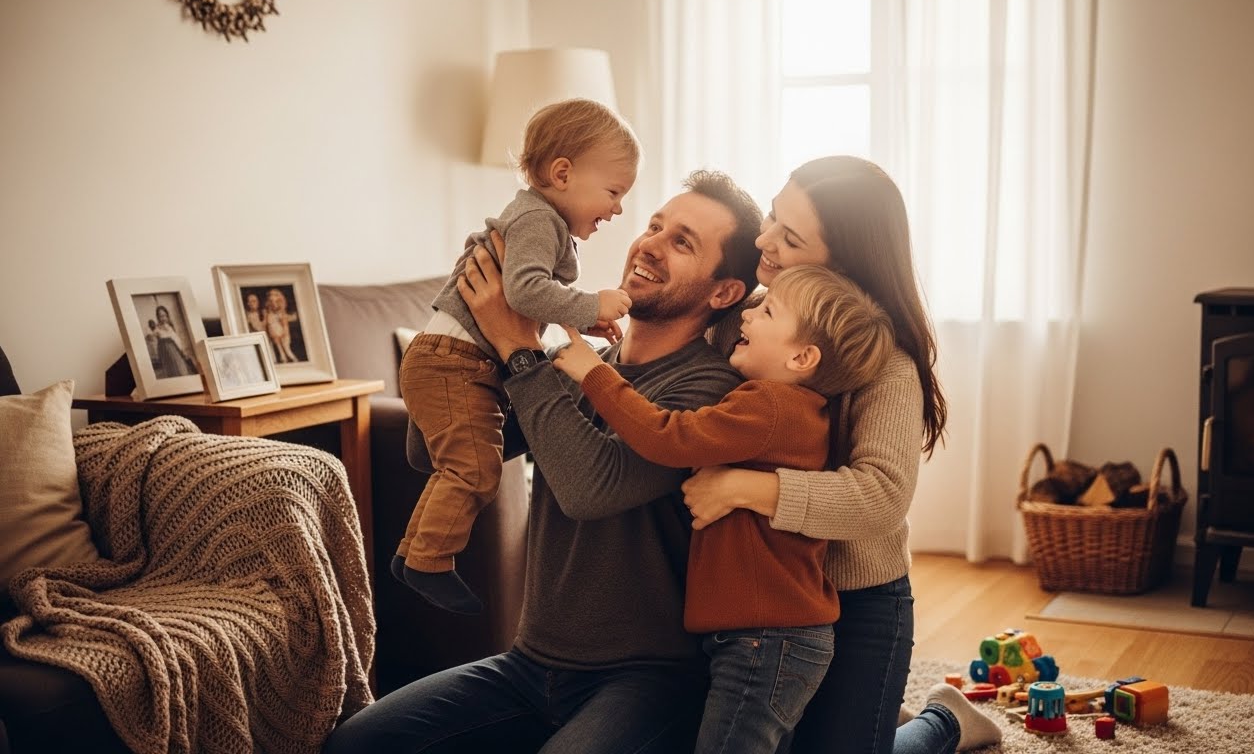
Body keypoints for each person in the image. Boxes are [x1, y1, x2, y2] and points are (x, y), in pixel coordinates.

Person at [324, 169, 765, 754]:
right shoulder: (578, 364)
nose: (651, 243)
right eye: (656, 224)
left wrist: (520, 347)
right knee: (355, 744)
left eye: (683, 241)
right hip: (531, 665)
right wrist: (466, 337)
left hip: (646, 679)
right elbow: (427, 453)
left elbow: (592, 487)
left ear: (723, 292)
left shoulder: (706, 391)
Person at [685, 155, 1000, 753]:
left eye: (791, 237)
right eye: (773, 217)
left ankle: (945, 722)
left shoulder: (888, 368)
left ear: (844, 265)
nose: (764, 240)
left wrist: (741, 488)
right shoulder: (748, 318)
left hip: (859, 600)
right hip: (761, 598)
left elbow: (880, 497)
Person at [552, 263, 895, 753]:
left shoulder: (768, 406)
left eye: (769, 310)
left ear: (801, 356)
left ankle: (941, 725)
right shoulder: (791, 409)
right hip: (771, 639)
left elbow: (668, 436)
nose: (749, 315)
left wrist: (594, 372)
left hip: (765, 642)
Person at [395, 98, 640, 614]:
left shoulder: (537, 218)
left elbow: (525, 297)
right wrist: (593, 301)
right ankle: (428, 564)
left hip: (454, 358)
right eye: (614, 192)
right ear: (563, 173)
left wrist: (578, 317)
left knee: (460, 464)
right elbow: (527, 292)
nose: (618, 208)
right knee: (476, 470)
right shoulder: (538, 219)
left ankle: (412, 554)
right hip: (453, 361)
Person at [151, 304, 194, 379]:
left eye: (164, 315)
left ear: (167, 315)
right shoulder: (157, 330)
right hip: (167, 355)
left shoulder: (170, 326)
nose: (163, 318)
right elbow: (155, 342)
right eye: (161, 316)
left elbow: (177, 339)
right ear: (158, 317)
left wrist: (182, 351)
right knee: (174, 373)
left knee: (182, 370)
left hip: (176, 352)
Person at [263, 287, 299, 363]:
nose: (273, 304)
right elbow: (267, 323)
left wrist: (284, 331)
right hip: (274, 331)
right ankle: (283, 356)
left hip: (281, 330)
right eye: (271, 302)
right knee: (278, 345)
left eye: (275, 302)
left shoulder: (281, 312)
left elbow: (284, 321)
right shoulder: (268, 313)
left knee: (286, 346)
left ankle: (291, 357)